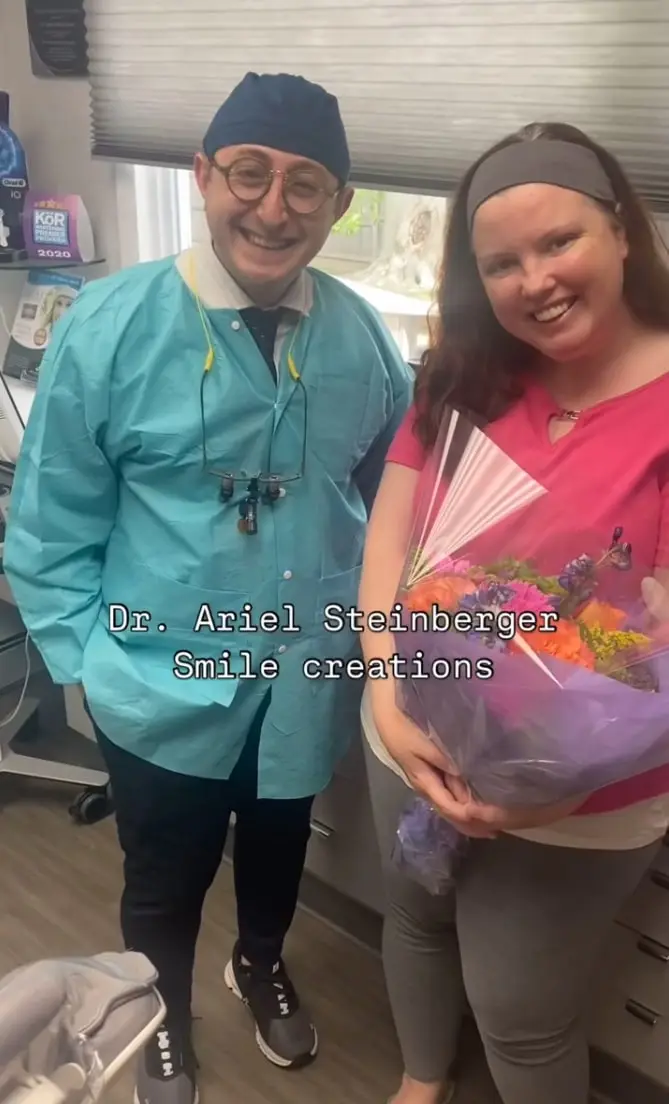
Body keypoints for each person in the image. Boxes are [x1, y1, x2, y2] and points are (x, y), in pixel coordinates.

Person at [3, 72, 413, 1104]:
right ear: (202, 175)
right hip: (156, 683)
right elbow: (49, 524)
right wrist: (88, 665)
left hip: (298, 679)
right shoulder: (108, 327)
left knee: (279, 847)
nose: (273, 207)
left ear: (339, 205)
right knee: (167, 874)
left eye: (306, 185)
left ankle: (260, 960)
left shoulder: (366, 342)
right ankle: (161, 1010)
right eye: (249, 173)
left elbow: (396, 508)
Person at [357, 121, 669, 1104]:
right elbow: (387, 548)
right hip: (412, 729)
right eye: (501, 262)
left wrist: (563, 790)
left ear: (622, 230)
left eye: (558, 242)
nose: (533, 279)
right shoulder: (462, 378)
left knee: (522, 1020)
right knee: (411, 921)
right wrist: (388, 696)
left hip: (586, 797)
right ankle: (420, 1078)